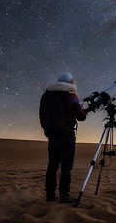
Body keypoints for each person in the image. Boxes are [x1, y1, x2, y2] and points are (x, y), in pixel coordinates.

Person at [39, 72, 88, 204]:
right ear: (69, 83)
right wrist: (83, 109)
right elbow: (81, 116)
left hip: (52, 135)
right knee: (66, 167)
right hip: (66, 135)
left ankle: (50, 195)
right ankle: (64, 195)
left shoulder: (47, 96)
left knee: (52, 165)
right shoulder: (69, 96)